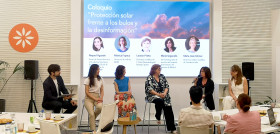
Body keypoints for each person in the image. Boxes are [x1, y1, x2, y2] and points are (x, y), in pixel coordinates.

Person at [145, 64, 177, 133]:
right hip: (152, 95)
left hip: (163, 95)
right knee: (159, 100)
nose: (160, 70)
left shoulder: (162, 76)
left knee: (168, 107)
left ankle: (172, 128)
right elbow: (149, 89)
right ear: (154, 70)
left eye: (160, 68)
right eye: (158, 69)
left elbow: (167, 86)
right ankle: (158, 115)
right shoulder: (149, 77)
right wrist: (158, 94)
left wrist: (165, 93)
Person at [84, 64, 104, 131]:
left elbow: (102, 90)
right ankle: (93, 131)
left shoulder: (100, 79)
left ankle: (91, 120)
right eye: (97, 69)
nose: (99, 71)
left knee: (100, 107)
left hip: (97, 97)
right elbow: (87, 92)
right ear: (93, 70)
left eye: (99, 69)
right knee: (91, 114)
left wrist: (101, 98)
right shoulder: (88, 79)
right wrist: (95, 98)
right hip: (88, 99)